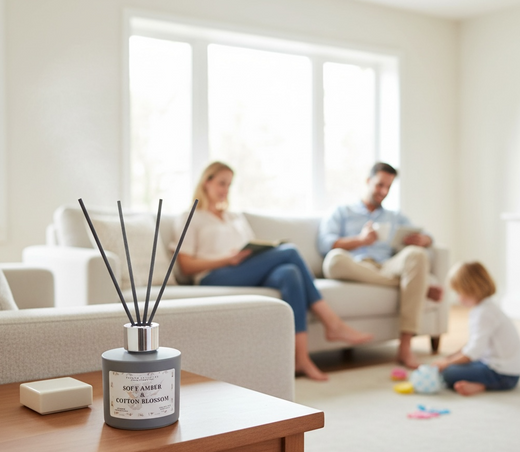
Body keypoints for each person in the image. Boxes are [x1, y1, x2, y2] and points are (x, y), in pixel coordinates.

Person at [176, 161, 373, 381]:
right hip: (212, 277)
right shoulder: (191, 216)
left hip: (244, 270)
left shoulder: (235, 217)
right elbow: (185, 264)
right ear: (206, 181)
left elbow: (249, 246)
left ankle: (301, 358)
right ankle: (332, 323)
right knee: (290, 251)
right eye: (222, 183)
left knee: (290, 273)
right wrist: (227, 259)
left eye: (229, 185)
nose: (225, 190)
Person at [317, 162, 442, 369]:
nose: (383, 192)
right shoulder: (342, 212)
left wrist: (425, 240)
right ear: (368, 181)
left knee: (417, 255)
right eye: (379, 185)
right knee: (333, 260)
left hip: (385, 266)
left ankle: (404, 346)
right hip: (355, 265)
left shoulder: (395, 217)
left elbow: (428, 235)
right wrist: (360, 240)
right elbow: (325, 245)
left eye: (388, 187)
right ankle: (418, 286)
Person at [433, 262, 520, 396]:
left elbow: (472, 353)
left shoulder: (484, 313)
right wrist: (451, 357)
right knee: (454, 365)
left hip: (504, 375)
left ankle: (483, 385)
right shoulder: (486, 307)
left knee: (448, 373)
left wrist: (447, 363)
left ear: (470, 289)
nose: (457, 298)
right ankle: (479, 383)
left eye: (459, 292)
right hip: (500, 367)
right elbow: (472, 344)